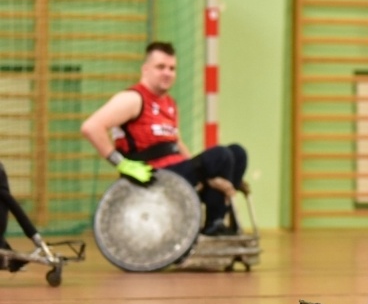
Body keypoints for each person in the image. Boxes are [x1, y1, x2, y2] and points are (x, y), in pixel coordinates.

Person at [81, 42, 248, 236]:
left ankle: (216, 217)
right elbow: (91, 127)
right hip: (153, 175)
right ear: (145, 69)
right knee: (221, 155)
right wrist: (121, 164)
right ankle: (213, 222)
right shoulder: (133, 99)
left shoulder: (169, 104)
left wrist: (206, 172)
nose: (167, 73)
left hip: (176, 170)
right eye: (161, 67)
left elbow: (176, 142)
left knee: (237, 153)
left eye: (172, 68)